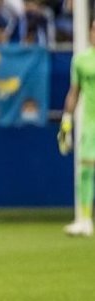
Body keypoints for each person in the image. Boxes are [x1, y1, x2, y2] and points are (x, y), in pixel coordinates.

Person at [58, 19, 95, 237]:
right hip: (90, 122)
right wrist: (66, 121)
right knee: (86, 169)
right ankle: (84, 219)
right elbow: (74, 91)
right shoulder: (81, 60)